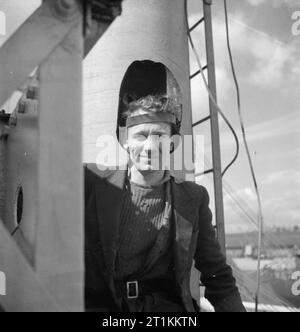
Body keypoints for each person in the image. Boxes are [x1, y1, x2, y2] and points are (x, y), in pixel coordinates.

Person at [84, 60, 246, 312]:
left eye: (159, 135)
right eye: (141, 135)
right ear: (125, 139)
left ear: (172, 142)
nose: (150, 146)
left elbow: (217, 275)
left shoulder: (194, 198)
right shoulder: (90, 183)